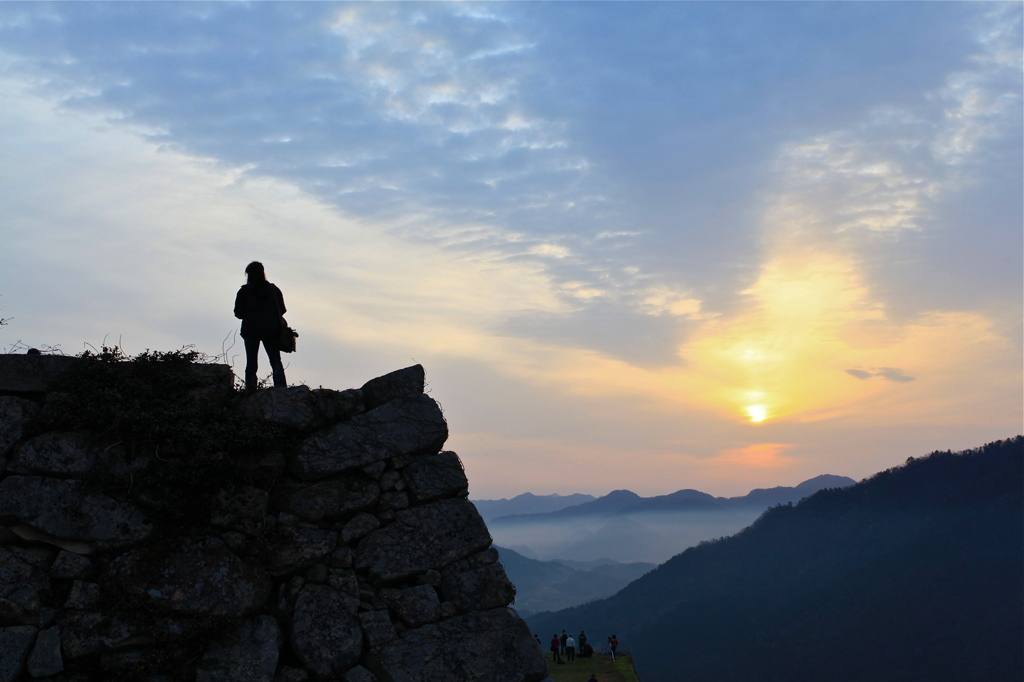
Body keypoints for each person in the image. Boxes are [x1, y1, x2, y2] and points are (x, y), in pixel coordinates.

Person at [233, 261, 287, 391]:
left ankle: (250, 389)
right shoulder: (273, 290)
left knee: (251, 363)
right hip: (271, 330)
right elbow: (282, 310)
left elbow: (238, 313)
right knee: (275, 361)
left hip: (250, 331)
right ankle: (281, 389)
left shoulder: (244, 292)